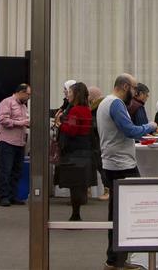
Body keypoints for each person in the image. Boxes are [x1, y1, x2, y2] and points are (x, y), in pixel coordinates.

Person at [97, 73, 157, 270]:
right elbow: (130, 130)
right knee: (124, 215)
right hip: (122, 166)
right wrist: (150, 126)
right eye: (133, 88)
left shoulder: (105, 102)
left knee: (117, 214)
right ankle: (116, 261)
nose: (135, 92)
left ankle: (117, 260)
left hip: (112, 163)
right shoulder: (115, 104)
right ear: (124, 86)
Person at [55, 81, 99, 221]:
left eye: (70, 93)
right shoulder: (87, 109)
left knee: (75, 185)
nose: (68, 95)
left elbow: (72, 130)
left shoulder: (75, 110)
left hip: (74, 151)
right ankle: (77, 212)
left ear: (76, 94)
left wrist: (60, 125)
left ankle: (76, 215)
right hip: (85, 150)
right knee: (81, 184)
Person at [0, 82, 31, 206]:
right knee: (6, 170)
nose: (29, 97)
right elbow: (3, 120)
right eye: (28, 94)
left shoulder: (24, 106)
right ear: (21, 92)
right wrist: (22, 123)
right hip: (6, 142)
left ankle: (13, 196)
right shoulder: (7, 102)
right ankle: (3, 197)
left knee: (17, 171)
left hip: (20, 143)